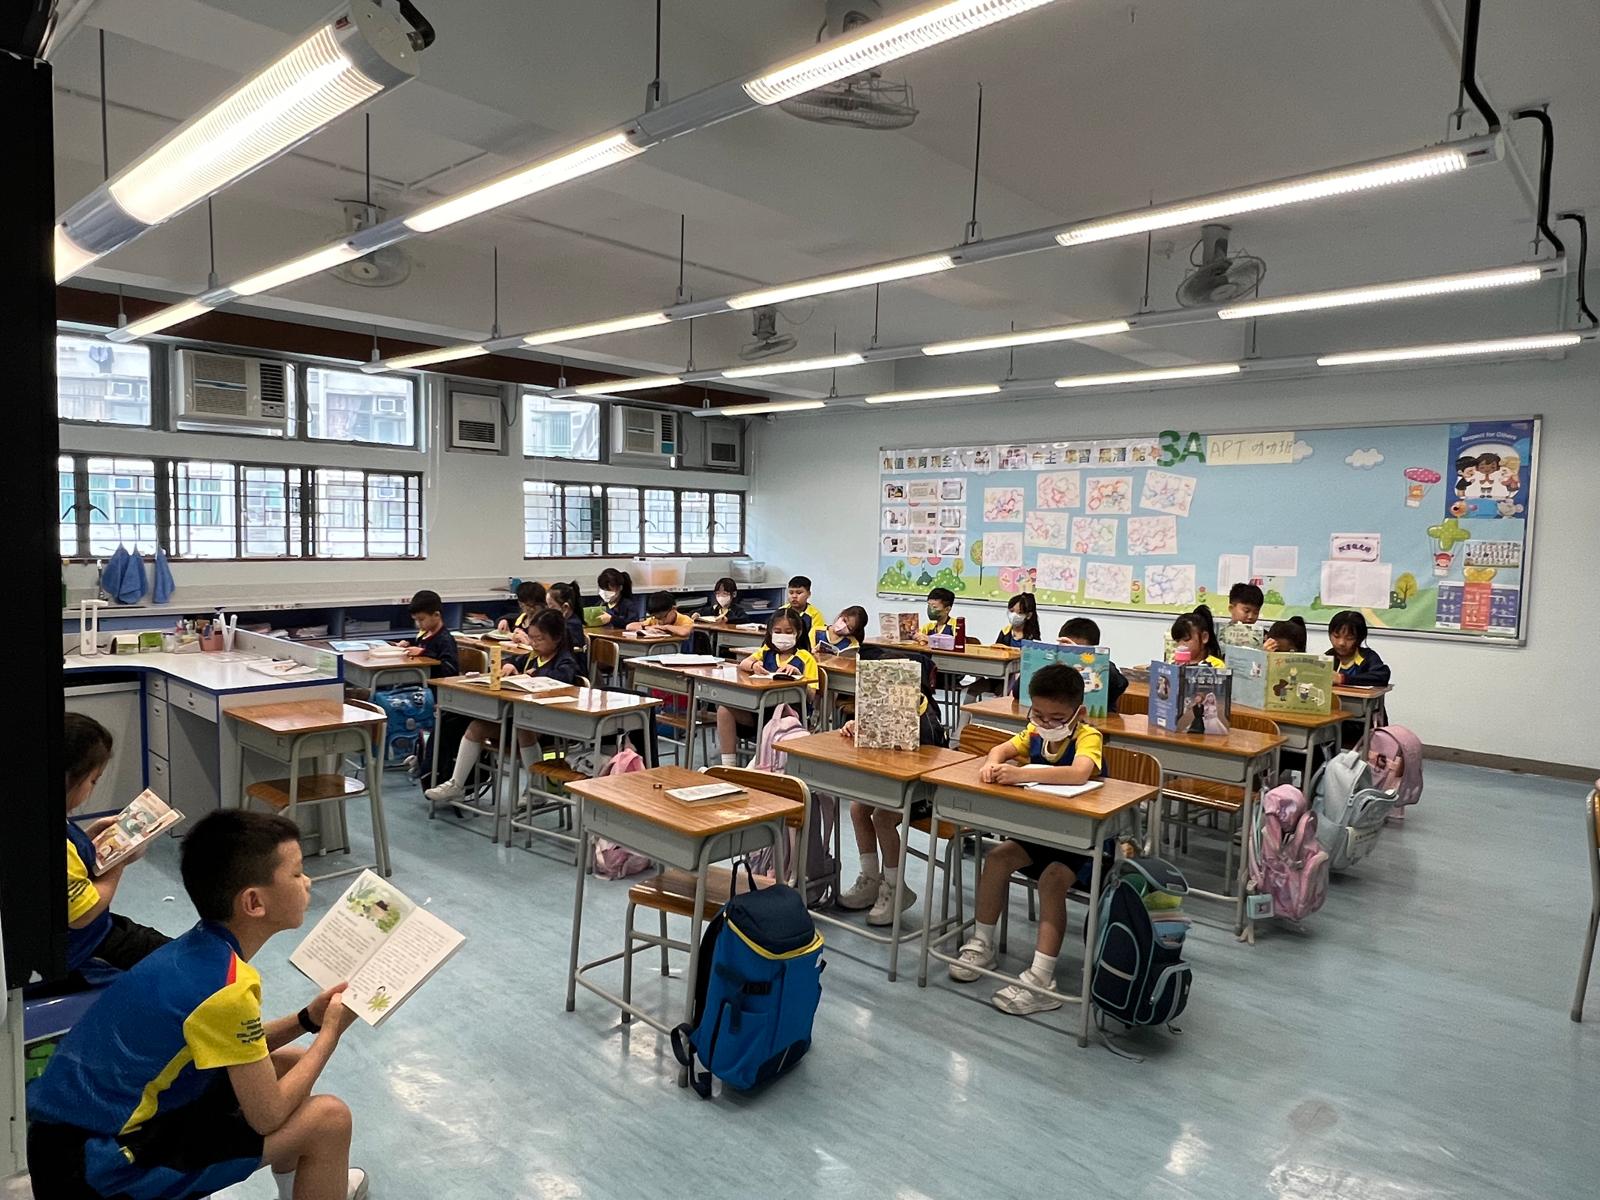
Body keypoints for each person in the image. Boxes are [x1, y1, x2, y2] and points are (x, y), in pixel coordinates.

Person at [27, 810, 368, 1200]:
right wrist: (330, 1033)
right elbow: (267, 1116)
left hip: (59, 1142)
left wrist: (307, 1019)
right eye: (296, 873)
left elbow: (233, 1044)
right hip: (95, 1170)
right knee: (329, 1120)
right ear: (254, 902)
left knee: (288, 1064)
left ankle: (305, 1189)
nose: (307, 882)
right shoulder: (226, 988)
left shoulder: (196, 948)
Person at [948, 664, 1105, 1014]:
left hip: (1085, 841)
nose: (1046, 723)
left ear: (1079, 713)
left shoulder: (1087, 736)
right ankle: (982, 943)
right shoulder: (1034, 732)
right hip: (1042, 833)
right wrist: (991, 763)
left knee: (1051, 881)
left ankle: (1042, 979)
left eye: (1057, 718)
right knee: (996, 858)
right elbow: (1001, 749)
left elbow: (1079, 773)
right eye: (1039, 714)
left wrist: (1021, 774)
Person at [424, 611, 581, 807]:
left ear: (556, 638)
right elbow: (512, 662)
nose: (533, 643)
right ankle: (456, 784)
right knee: (477, 727)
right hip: (521, 717)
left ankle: (537, 789)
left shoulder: (565, 661)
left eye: (539, 639)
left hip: (550, 725)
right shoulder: (533, 657)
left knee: (524, 729)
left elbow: (561, 680)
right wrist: (507, 666)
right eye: (531, 638)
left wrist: (533, 676)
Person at [57, 713, 171, 978]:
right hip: (82, 945)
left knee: (159, 943)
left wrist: (88, 839)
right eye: (93, 780)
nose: (93, 788)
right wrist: (118, 860)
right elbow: (84, 913)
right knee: (176, 960)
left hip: (91, 931)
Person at [835, 697, 946, 926]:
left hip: (926, 791)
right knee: (858, 808)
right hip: (895, 783)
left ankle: (895, 888)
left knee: (882, 817)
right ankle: (870, 879)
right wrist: (856, 727)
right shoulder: (884, 705)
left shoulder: (926, 719)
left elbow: (931, 765)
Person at [716, 608, 818, 767]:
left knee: (780, 714)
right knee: (724, 710)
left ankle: (761, 763)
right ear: (770, 632)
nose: (782, 636)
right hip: (760, 710)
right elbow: (743, 663)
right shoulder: (766, 652)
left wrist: (799, 677)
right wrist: (754, 665)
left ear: (798, 633)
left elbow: (811, 696)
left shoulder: (806, 658)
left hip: (788, 715)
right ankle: (728, 766)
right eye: (777, 631)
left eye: (788, 632)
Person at [1058, 616, 1128, 710]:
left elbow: (1120, 684)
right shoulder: (1057, 663)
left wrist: (1079, 657)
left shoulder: (1104, 666)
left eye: (1080, 649)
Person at [398, 589, 458, 677]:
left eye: (421, 619)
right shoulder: (423, 635)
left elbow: (450, 670)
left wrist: (424, 653)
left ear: (436, 615)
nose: (418, 624)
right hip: (420, 677)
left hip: (433, 682)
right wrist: (408, 646)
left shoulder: (445, 640)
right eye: (415, 620)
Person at [1326, 610, 1392, 686]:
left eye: (1349, 638)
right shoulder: (1328, 657)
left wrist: (1342, 678)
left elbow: (1382, 676)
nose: (1341, 643)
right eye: (1336, 636)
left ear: (1359, 639)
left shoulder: (1368, 657)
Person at [547, 581, 588, 674]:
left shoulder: (572, 625)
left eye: (551, 607)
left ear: (565, 607)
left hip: (573, 672)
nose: (547, 612)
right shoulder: (561, 623)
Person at [1219, 582, 1265, 647]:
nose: (1250, 617)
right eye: (1246, 611)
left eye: (1256, 612)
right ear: (1231, 608)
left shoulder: (1264, 637)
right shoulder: (1218, 635)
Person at [627, 591, 695, 634]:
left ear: (673, 609)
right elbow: (629, 626)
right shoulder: (654, 620)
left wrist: (666, 627)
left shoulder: (685, 619)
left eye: (663, 617)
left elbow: (684, 632)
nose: (660, 622)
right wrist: (647, 628)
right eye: (657, 618)